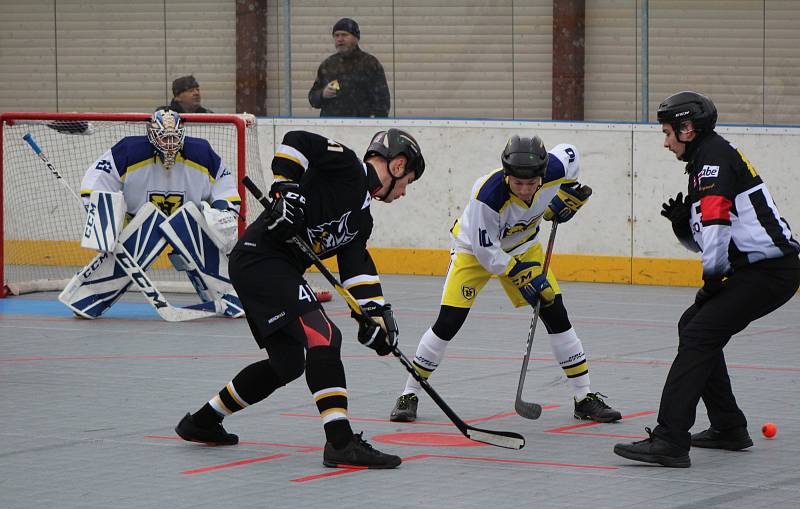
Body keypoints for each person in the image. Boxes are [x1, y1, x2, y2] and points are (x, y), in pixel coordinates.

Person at [175, 128, 426, 469]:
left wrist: (373, 315)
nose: (405, 192)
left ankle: (202, 421)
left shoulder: (361, 219)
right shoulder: (349, 167)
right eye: (408, 180)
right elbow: (298, 140)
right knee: (323, 335)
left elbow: (356, 268)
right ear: (397, 165)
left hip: (270, 268)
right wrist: (285, 188)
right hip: (260, 258)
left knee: (287, 363)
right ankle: (340, 441)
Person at [613, 91, 800, 468]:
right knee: (693, 326)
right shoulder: (707, 159)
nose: (665, 143)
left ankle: (669, 439)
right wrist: (683, 227)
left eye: (668, 133)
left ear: (687, 129)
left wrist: (712, 282)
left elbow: (716, 230)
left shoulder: (712, 162)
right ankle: (728, 427)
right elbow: (709, 236)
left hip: (769, 272)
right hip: (761, 270)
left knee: (698, 334)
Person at [388, 135, 622, 424]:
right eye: (517, 183)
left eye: (531, 183)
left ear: (543, 174)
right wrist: (521, 275)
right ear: (507, 175)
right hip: (473, 252)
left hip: (524, 245)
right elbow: (487, 253)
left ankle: (583, 397)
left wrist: (566, 196)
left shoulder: (557, 167)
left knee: (555, 311)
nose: (524, 190)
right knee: (449, 321)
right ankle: (409, 394)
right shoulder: (487, 197)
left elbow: (572, 153)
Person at [60, 108, 242, 319]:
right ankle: (90, 296)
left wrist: (223, 210)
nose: (169, 143)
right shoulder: (129, 150)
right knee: (143, 230)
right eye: (163, 138)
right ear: (151, 134)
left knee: (190, 223)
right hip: (140, 223)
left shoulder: (201, 152)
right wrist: (104, 214)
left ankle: (230, 295)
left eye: (174, 137)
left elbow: (225, 184)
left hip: (188, 224)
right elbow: (97, 180)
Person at [308, 17, 390, 118]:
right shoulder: (328, 65)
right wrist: (322, 94)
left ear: (356, 38)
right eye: (336, 35)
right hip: (331, 126)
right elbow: (313, 98)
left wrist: (374, 123)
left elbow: (382, 101)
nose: (340, 39)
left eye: (344, 35)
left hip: (361, 125)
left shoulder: (370, 64)